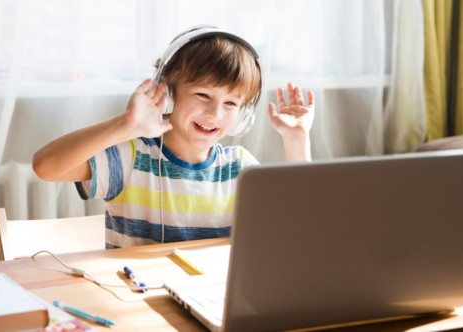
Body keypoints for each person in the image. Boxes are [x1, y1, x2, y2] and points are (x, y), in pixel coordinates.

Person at [32, 26, 315, 248]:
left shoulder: (240, 167)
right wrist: (125, 124)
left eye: (231, 103)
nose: (215, 113)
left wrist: (296, 140)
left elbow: (301, 223)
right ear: (168, 95)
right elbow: (46, 166)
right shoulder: (132, 158)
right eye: (203, 95)